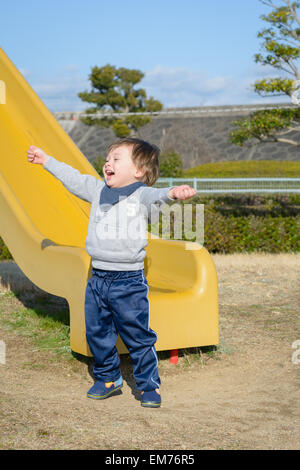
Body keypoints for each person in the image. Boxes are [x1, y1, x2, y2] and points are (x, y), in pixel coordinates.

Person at [27, 137, 196, 408]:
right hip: (98, 278)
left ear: (139, 171)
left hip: (128, 281)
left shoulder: (141, 195)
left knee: (137, 335)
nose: (108, 163)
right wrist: (47, 161)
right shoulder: (97, 190)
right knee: (97, 331)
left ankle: (148, 385)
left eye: (117, 159)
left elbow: (158, 195)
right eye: (107, 159)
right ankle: (108, 378)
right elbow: (73, 178)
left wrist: (173, 193)